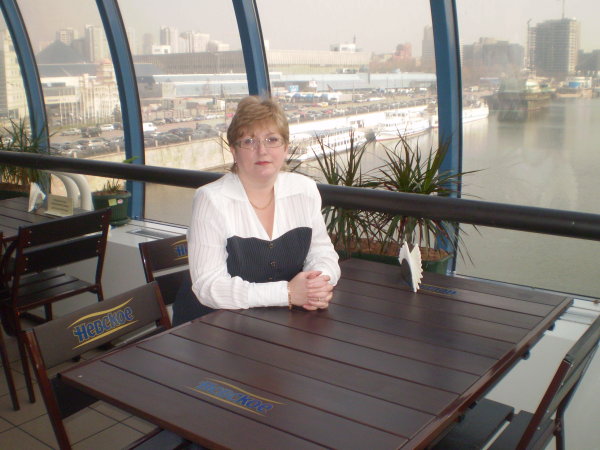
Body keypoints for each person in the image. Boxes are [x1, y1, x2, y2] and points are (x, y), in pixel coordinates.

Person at [173, 95, 340, 323]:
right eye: (249, 141)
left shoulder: (304, 190)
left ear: (286, 148)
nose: (262, 150)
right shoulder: (211, 199)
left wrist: (316, 285)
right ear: (234, 151)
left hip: (277, 322)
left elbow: (323, 253)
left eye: (272, 139)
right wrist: (287, 293)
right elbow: (209, 286)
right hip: (212, 324)